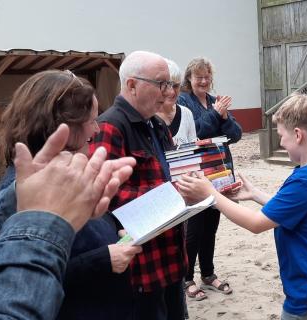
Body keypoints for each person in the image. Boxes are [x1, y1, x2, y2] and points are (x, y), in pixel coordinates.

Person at [0, 70, 140, 320]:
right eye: (91, 120)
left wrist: (115, 232)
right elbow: (8, 283)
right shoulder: (16, 197)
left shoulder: (65, 173)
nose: (97, 129)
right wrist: (102, 260)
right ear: (63, 126)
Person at [177, 93, 307, 319]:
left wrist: (211, 195)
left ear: (297, 135)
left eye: (282, 136)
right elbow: (292, 211)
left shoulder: (305, 181)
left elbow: (256, 223)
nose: (281, 142)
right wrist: (254, 194)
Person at [0, 124, 135, 319]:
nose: (98, 128)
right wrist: (40, 226)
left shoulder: (51, 179)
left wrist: (18, 200)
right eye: (91, 119)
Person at [90, 51, 186, 319]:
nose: (168, 92)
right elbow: (103, 197)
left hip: (171, 257)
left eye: (170, 84)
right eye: (160, 83)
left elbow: (171, 174)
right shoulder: (109, 127)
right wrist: (171, 195)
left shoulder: (156, 124)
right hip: (142, 266)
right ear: (131, 85)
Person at [178, 57, 242, 301]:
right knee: (194, 228)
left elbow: (235, 135)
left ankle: (208, 273)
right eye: (198, 77)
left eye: (207, 77)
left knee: (211, 227)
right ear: (190, 79)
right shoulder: (183, 102)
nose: (203, 81)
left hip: (219, 173)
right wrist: (216, 115)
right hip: (197, 172)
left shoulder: (217, 102)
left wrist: (224, 118)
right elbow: (196, 133)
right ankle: (186, 278)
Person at [156, 59, 197, 145]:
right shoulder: (148, 117)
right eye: (167, 86)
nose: (172, 92)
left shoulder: (186, 114)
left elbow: (194, 152)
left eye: (176, 86)